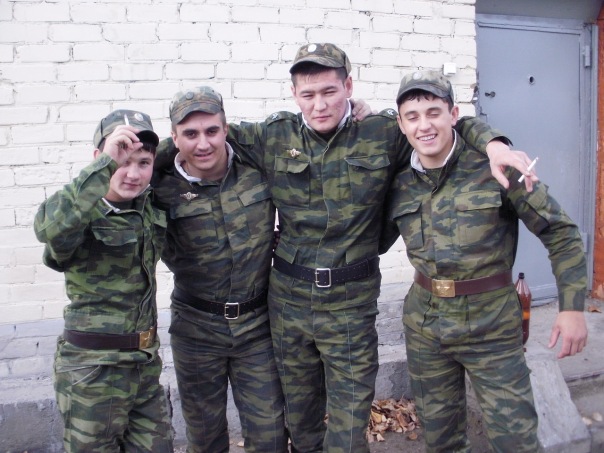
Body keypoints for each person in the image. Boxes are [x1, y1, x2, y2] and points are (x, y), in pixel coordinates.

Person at [226, 43, 538, 453]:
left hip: (351, 303)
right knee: (301, 421)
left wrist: (495, 144)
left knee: (348, 427)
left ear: (348, 87)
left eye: (329, 91)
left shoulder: (383, 132)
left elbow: (445, 123)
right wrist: (134, 160)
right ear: (294, 94)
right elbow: (201, 137)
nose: (319, 104)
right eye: (308, 94)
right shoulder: (273, 135)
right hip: (289, 303)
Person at [382, 70, 588, 452]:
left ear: (453, 114)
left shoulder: (497, 167)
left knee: (516, 441)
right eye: (412, 116)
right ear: (401, 123)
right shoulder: (398, 182)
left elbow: (561, 233)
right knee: (442, 441)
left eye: (434, 112)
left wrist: (572, 308)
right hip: (425, 326)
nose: (424, 125)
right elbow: (373, 241)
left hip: (491, 326)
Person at [152, 86, 288, 453]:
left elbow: (300, 137)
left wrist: (356, 109)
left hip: (257, 326)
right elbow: (119, 176)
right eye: (190, 134)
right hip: (196, 329)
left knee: (271, 435)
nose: (203, 144)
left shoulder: (257, 167)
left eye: (212, 130)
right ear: (174, 138)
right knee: (205, 437)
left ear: (226, 129)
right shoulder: (158, 187)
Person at [33, 110, 173, 452]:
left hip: (144, 365)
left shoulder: (147, 206)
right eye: (121, 161)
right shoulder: (80, 213)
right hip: (93, 370)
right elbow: (47, 228)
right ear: (100, 158)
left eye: (143, 163)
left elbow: (187, 149)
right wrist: (105, 164)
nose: (133, 174)